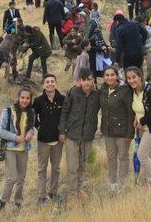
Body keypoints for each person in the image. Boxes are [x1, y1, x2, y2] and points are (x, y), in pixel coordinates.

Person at [59, 67, 100, 202]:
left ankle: (79, 190)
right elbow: (65, 112)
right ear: (79, 81)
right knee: (72, 167)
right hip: (72, 135)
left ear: (93, 79)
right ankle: (71, 195)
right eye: (84, 80)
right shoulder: (73, 92)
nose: (87, 83)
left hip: (88, 136)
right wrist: (62, 131)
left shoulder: (97, 94)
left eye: (89, 79)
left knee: (82, 165)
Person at [0, 86, 35, 211]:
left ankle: (18, 201)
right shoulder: (8, 111)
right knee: (12, 177)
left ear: (30, 100)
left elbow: (30, 127)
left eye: (27, 98)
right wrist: (14, 137)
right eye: (22, 97)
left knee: (21, 178)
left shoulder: (31, 112)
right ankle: (3, 201)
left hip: (24, 149)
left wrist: (30, 133)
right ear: (18, 98)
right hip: (10, 149)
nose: (25, 100)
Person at [125, 67, 151, 185]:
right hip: (141, 129)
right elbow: (137, 108)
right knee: (147, 154)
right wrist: (137, 119)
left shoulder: (150, 90)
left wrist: (141, 121)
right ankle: (148, 179)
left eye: (134, 77)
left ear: (140, 77)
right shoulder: (132, 91)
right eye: (129, 78)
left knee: (141, 154)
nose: (132, 81)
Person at [99, 66, 134, 191]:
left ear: (116, 76)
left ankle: (122, 183)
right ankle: (112, 181)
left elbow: (131, 113)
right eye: (107, 75)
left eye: (112, 75)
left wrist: (130, 134)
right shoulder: (102, 89)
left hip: (122, 131)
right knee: (111, 156)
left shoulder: (125, 90)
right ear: (104, 77)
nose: (110, 77)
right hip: (108, 130)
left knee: (123, 157)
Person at [32, 75, 65, 205]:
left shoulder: (62, 99)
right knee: (42, 168)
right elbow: (32, 117)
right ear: (43, 85)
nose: (50, 84)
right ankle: (41, 196)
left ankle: (53, 193)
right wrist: (39, 126)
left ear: (56, 83)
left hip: (58, 140)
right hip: (43, 140)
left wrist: (62, 131)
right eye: (47, 82)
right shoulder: (38, 101)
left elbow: (65, 117)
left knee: (56, 168)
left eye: (52, 81)